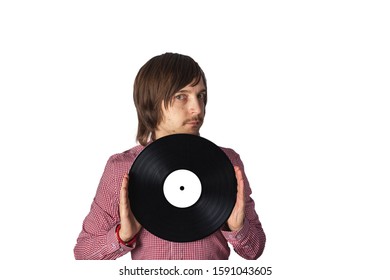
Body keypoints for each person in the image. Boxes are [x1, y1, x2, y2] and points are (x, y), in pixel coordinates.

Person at [74, 52, 266, 260]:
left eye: (200, 95)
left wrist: (238, 228)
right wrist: (122, 236)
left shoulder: (227, 163)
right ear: (152, 102)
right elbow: (83, 254)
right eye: (181, 96)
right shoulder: (121, 168)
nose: (197, 108)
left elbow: (254, 250)